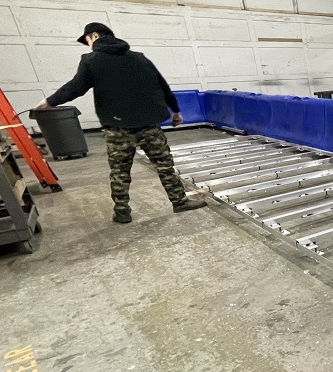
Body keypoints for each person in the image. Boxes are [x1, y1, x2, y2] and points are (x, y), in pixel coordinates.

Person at [36, 22, 206, 224]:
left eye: (87, 40)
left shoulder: (92, 61)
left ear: (95, 36)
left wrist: (49, 102)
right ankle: (180, 202)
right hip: (149, 125)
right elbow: (162, 85)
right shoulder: (139, 58)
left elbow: (75, 87)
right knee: (164, 166)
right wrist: (176, 111)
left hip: (118, 128)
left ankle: (122, 211)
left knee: (120, 171)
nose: (88, 45)